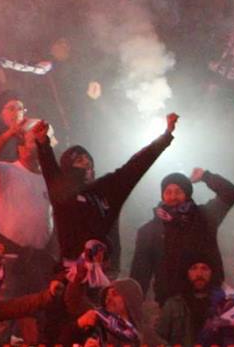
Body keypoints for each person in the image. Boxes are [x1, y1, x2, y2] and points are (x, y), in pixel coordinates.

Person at [37, 114, 176, 275]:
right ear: (68, 169)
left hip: (105, 271)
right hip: (73, 272)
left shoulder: (105, 189)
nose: (86, 162)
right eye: (79, 161)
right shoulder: (63, 195)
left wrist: (165, 137)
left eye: (87, 158)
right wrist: (43, 144)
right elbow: (50, 170)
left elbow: (135, 166)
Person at [130, 166, 234, 306]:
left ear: (187, 194)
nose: (173, 197)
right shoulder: (149, 231)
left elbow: (230, 193)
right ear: (162, 196)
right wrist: (131, 306)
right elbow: (140, 273)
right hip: (171, 303)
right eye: (168, 192)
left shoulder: (204, 217)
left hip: (209, 298)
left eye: (178, 191)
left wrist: (206, 176)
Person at [0, 118, 56, 292]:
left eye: (33, 142)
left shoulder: (50, 176)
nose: (27, 147)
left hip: (40, 256)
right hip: (11, 253)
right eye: (23, 142)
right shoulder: (8, 170)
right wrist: (7, 135)